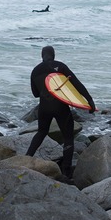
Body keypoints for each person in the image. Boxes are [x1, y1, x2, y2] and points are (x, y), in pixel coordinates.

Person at [26, 45, 95, 180]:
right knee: (68, 137)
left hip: (44, 107)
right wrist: (90, 101)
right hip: (60, 106)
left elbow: (35, 94)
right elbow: (76, 84)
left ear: (42, 56)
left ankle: (27, 158)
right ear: (53, 55)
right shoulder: (60, 66)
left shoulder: (35, 70)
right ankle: (66, 171)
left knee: (41, 132)